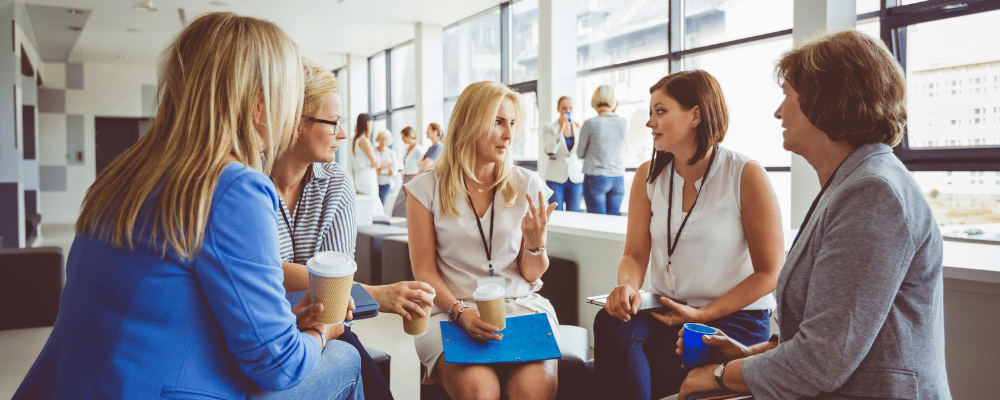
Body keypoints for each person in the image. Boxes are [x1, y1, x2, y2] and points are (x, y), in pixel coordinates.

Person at [13, 13, 362, 400]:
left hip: (69, 387)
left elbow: (164, 304)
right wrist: (319, 331)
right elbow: (279, 366)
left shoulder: (124, 176)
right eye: (291, 98)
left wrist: (282, 326)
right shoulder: (234, 187)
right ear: (260, 106)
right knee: (345, 357)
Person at [675, 30, 951, 400]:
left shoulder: (873, 193)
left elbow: (822, 359)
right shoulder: (851, 183)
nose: (778, 110)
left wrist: (721, 375)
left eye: (787, 94)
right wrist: (748, 354)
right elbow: (825, 333)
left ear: (827, 99)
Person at [594, 70, 783, 400]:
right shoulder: (647, 177)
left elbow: (769, 272)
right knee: (610, 322)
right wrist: (627, 285)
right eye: (651, 112)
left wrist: (702, 315)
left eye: (660, 111)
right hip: (666, 309)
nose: (650, 122)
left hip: (732, 317)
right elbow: (635, 253)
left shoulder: (745, 174)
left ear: (696, 114)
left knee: (666, 365)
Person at [270, 58, 438, 400]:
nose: (343, 134)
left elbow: (335, 289)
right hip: (266, 328)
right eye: (333, 123)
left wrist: (336, 290)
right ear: (294, 123)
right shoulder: (245, 184)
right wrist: (378, 294)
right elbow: (259, 272)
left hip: (323, 325)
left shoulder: (336, 184)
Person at [405, 81, 560, 400]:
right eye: (498, 122)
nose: (508, 134)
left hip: (520, 306)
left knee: (533, 389)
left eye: (513, 124)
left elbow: (531, 274)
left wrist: (536, 243)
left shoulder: (528, 184)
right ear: (469, 121)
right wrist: (461, 312)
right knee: (481, 390)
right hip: (451, 311)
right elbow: (425, 271)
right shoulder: (425, 189)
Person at [577, 84, 627, 214]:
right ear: (613, 101)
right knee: (612, 222)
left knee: (597, 222)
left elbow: (580, 152)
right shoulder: (623, 122)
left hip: (596, 176)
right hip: (618, 178)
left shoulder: (590, 123)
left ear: (594, 100)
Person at [541, 96, 584, 212]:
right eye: (564, 108)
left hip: (576, 177)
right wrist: (560, 130)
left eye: (570, 108)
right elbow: (549, 150)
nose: (567, 111)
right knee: (556, 214)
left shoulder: (579, 127)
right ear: (558, 109)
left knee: (574, 214)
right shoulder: (549, 127)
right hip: (555, 178)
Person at [353, 113, 379, 196]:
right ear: (368, 123)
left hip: (359, 178)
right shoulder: (364, 140)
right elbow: (375, 163)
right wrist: (385, 164)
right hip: (367, 179)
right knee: (374, 206)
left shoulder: (356, 140)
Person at [374, 130, 398, 205]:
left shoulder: (391, 153)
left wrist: (380, 170)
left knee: (381, 204)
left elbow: (393, 171)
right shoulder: (373, 151)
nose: (384, 142)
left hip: (386, 184)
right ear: (378, 139)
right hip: (374, 183)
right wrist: (386, 167)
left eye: (386, 140)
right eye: (382, 139)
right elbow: (372, 169)